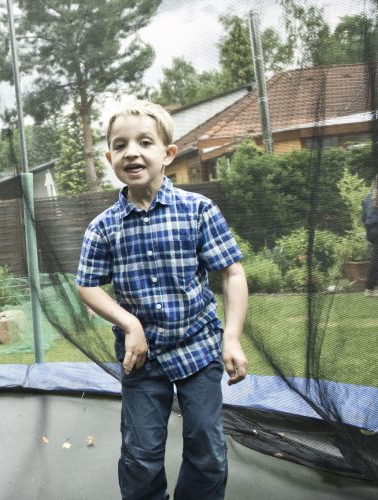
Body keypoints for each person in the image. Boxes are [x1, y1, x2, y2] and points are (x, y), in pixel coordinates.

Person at [74, 100, 249, 500]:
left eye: (144, 142)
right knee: (140, 455)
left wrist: (233, 337)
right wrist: (130, 324)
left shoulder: (198, 210)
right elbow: (86, 285)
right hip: (142, 357)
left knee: (208, 450)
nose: (132, 152)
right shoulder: (103, 228)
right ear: (110, 158)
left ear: (168, 154)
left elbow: (232, 272)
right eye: (120, 145)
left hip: (198, 347)